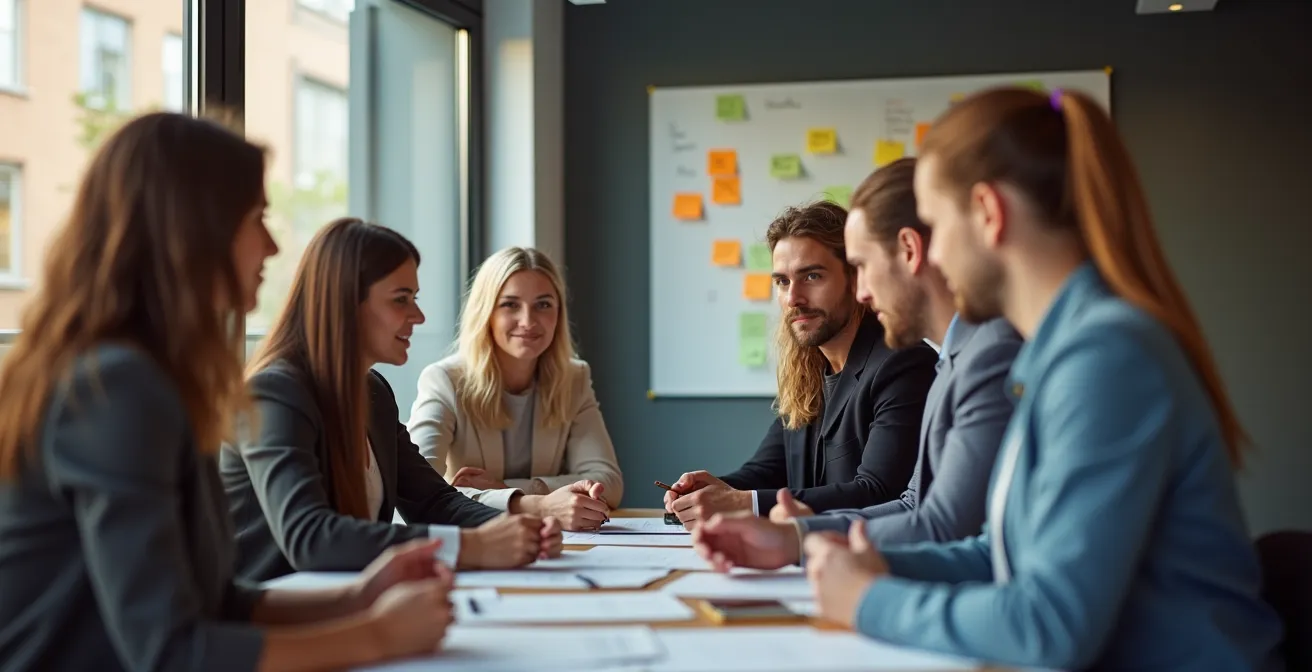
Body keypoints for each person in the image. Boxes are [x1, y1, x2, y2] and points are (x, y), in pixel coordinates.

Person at [795, 87, 1286, 670]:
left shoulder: (1106, 356)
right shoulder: (1056, 352)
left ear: (988, 213)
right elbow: (1002, 556)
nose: (932, 257)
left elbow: (1049, 627)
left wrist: (872, 601)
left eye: (935, 223)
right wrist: (864, 567)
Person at [0, 112, 459, 671]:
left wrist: (359, 598)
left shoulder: (149, 377)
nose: (270, 246)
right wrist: (377, 636)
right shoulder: (118, 387)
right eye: (257, 218)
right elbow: (171, 651)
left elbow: (214, 599)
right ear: (193, 232)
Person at [692, 158, 1021, 567]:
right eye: (781, 282)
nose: (863, 291)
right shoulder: (953, 359)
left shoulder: (963, 359)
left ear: (910, 250)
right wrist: (716, 498)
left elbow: (933, 520)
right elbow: (915, 507)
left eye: (860, 267)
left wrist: (805, 543)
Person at [223, 219, 562, 583]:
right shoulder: (273, 394)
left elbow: (432, 502)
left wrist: (516, 528)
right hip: (279, 621)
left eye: (414, 299)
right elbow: (310, 537)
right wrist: (471, 546)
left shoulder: (373, 392)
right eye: (401, 300)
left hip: (350, 605)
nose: (418, 316)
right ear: (344, 303)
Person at [663, 201, 938, 527]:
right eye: (782, 281)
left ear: (854, 278)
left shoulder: (903, 363)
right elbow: (769, 470)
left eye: (811, 276)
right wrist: (706, 491)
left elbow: (880, 493)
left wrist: (743, 503)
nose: (793, 297)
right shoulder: (807, 370)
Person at [408, 246, 623, 531]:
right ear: (486, 312)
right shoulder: (444, 380)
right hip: (480, 540)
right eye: (510, 304)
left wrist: (506, 488)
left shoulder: (574, 378)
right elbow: (415, 492)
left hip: (552, 543)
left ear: (558, 313)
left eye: (543, 304)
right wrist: (534, 504)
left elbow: (608, 482)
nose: (528, 321)